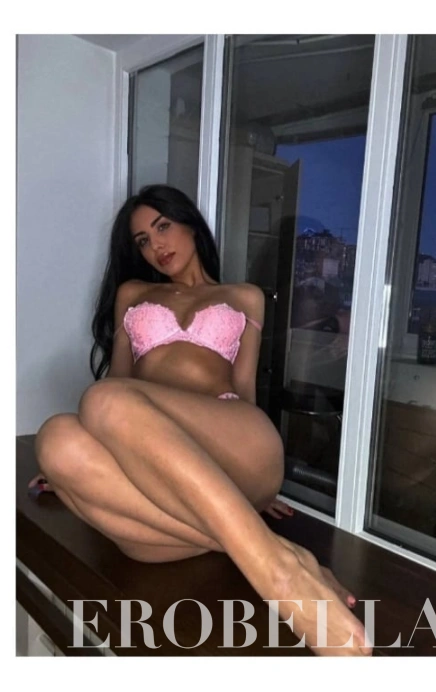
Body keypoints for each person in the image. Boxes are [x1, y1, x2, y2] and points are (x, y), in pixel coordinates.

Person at [29, 185, 372, 656]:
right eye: (143, 241)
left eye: (163, 227)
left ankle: (281, 577)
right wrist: (70, 466)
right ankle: (275, 550)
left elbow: (246, 390)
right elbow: (119, 383)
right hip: (159, 454)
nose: (156, 245)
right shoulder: (133, 294)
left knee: (102, 402)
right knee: (57, 438)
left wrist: (256, 479)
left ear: (189, 223)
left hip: (232, 433)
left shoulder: (245, 296)